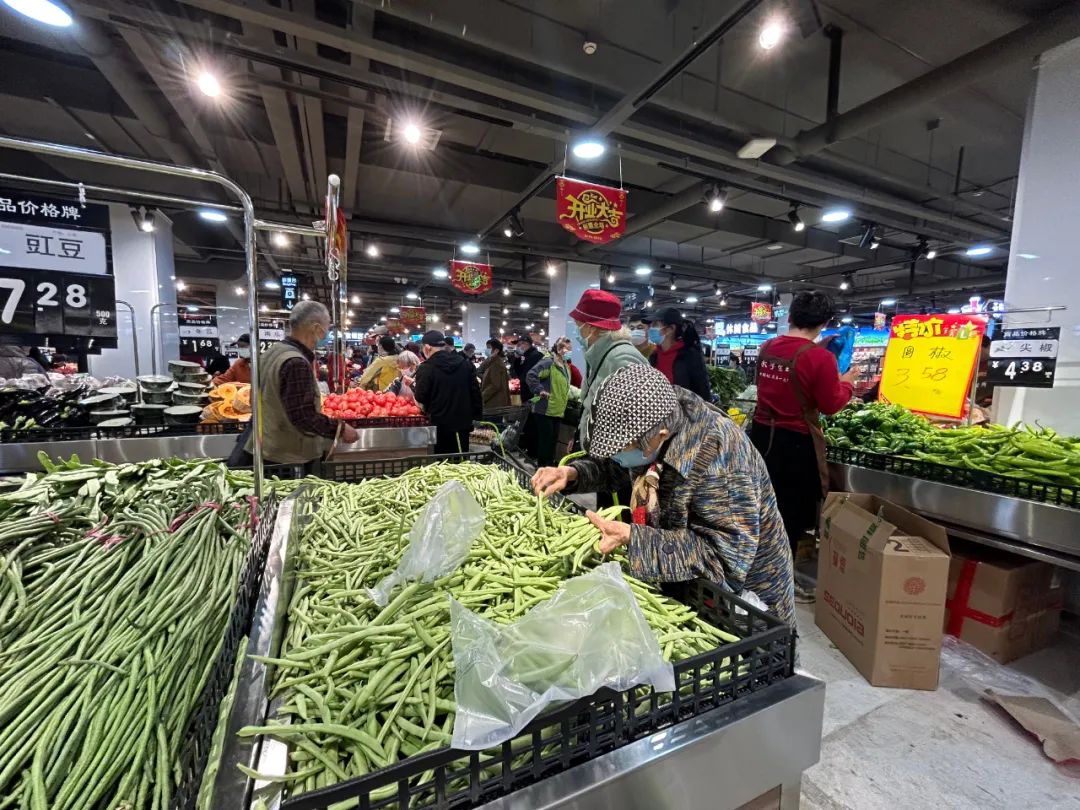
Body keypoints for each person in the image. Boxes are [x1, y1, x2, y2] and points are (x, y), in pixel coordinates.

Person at [531, 364, 795, 626]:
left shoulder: (721, 459)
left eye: (620, 450)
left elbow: (724, 561)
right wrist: (572, 474)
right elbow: (621, 465)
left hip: (744, 608)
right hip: (687, 587)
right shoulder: (660, 419)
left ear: (660, 436)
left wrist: (635, 538)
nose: (616, 457)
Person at [749, 291, 856, 585]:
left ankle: (752, 564)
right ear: (824, 323)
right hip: (794, 444)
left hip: (761, 436)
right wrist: (847, 384)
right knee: (790, 513)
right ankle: (779, 577)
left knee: (759, 503)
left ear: (790, 315)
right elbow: (830, 405)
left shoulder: (767, 348)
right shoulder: (821, 358)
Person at [239, 301, 358, 468]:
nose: (327, 335)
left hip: (265, 445)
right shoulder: (296, 362)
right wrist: (340, 428)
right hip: (286, 456)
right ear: (316, 328)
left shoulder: (271, 353)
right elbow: (303, 416)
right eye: (327, 329)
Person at [413, 330, 483, 454]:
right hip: (463, 424)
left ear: (427, 348)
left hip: (438, 427)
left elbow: (421, 397)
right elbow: (476, 393)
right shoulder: (465, 364)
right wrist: (476, 417)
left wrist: (412, 388)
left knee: (441, 463)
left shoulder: (426, 368)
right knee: (462, 460)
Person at [647, 308, 711, 401]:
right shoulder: (654, 355)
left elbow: (703, 391)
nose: (650, 328)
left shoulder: (689, 356)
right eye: (651, 325)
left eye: (655, 324)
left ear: (671, 328)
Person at [526, 336, 572, 467]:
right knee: (546, 444)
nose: (569, 352)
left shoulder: (565, 366)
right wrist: (539, 389)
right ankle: (542, 468)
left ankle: (549, 468)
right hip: (545, 409)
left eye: (570, 349)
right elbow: (531, 375)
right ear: (559, 349)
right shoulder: (548, 363)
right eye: (567, 349)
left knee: (552, 443)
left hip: (557, 410)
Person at [479, 338, 511, 410]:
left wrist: (482, 397)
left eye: (489, 348)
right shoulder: (492, 362)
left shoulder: (496, 364)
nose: (487, 350)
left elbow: (495, 385)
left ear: (496, 350)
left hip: (495, 402)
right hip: (495, 401)